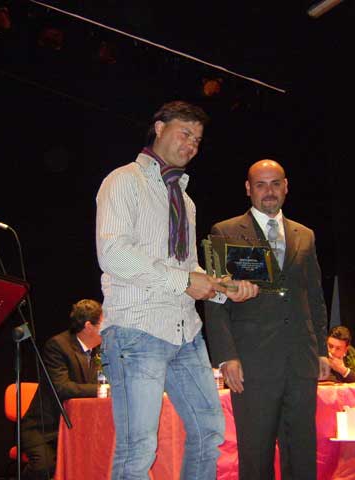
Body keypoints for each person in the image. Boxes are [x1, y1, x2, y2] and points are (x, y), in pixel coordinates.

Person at [95, 100, 259, 480]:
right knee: (139, 447)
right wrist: (186, 281)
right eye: (185, 133)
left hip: (186, 333)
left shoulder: (184, 199)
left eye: (198, 140)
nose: (191, 145)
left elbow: (188, 267)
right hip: (137, 330)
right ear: (158, 127)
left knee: (209, 429)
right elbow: (114, 253)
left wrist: (222, 289)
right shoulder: (123, 180)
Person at [204, 159, 331, 480]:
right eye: (261, 184)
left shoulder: (306, 235)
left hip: (301, 362)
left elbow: (314, 297)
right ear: (248, 189)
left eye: (275, 183)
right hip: (252, 365)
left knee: (302, 453)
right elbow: (216, 301)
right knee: (256, 455)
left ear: (286, 186)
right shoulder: (226, 231)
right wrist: (226, 357)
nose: (269, 191)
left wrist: (321, 351)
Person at [20, 299, 103, 479]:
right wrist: (102, 390)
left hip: (78, 428)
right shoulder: (58, 346)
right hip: (46, 429)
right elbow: (62, 388)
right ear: (89, 326)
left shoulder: (99, 350)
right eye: (104, 324)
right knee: (45, 468)